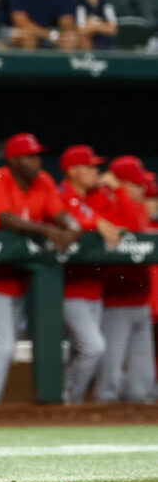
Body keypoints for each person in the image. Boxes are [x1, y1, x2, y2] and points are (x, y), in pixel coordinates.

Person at [0, 132, 79, 406]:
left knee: (6, 348)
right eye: (30, 156)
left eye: (38, 154)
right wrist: (47, 229)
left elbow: (60, 214)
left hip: (18, 279)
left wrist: (72, 229)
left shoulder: (44, 181)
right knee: (1, 347)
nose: (37, 161)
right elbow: (3, 219)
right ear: (13, 160)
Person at [57, 144, 120, 404]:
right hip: (66, 288)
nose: (97, 171)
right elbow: (65, 217)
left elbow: (118, 223)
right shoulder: (61, 194)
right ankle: (69, 400)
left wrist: (113, 193)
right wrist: (95, 222)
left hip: (94, 287)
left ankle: (71, 402)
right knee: (95, 347)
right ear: (73, 170)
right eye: (90, 166)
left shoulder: (96, 196)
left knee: (81, 350)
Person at [98, 156, 157, 404]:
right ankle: (100, 418)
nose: (142, 189)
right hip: (116, 299)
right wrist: (119, 192)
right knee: (110, 375)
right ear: (120, 183)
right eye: (136, 184)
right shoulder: (108, 202)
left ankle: (138, 415)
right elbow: (130, 229)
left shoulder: (138, 207)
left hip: (139, 301)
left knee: (142, 382)